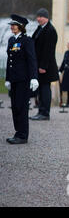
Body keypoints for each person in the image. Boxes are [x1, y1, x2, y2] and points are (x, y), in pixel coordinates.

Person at [4, 15, 39, 144]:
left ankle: (23, 135)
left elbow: (32, 60)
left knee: (21, 106)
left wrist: (34, 78)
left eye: (14, 25)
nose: (12, 27)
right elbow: (9, 61)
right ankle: (18, 132)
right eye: (11, 25)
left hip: (24, 79)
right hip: (14, 79)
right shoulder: (11, 40)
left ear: (21, 27)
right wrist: (8, 78)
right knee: (15, 107)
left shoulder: (27, 41)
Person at [30, 8, 59, 121]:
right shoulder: (40, 28)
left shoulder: (50, 30)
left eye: (41, 16)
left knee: (45, 89)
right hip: (39, 65)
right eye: (38, 16)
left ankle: (45, 112)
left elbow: (48, 51)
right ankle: (40, 111)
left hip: (46, 67)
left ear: (46, 18)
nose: (38, 18)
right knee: (41, 90)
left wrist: (43, 66)